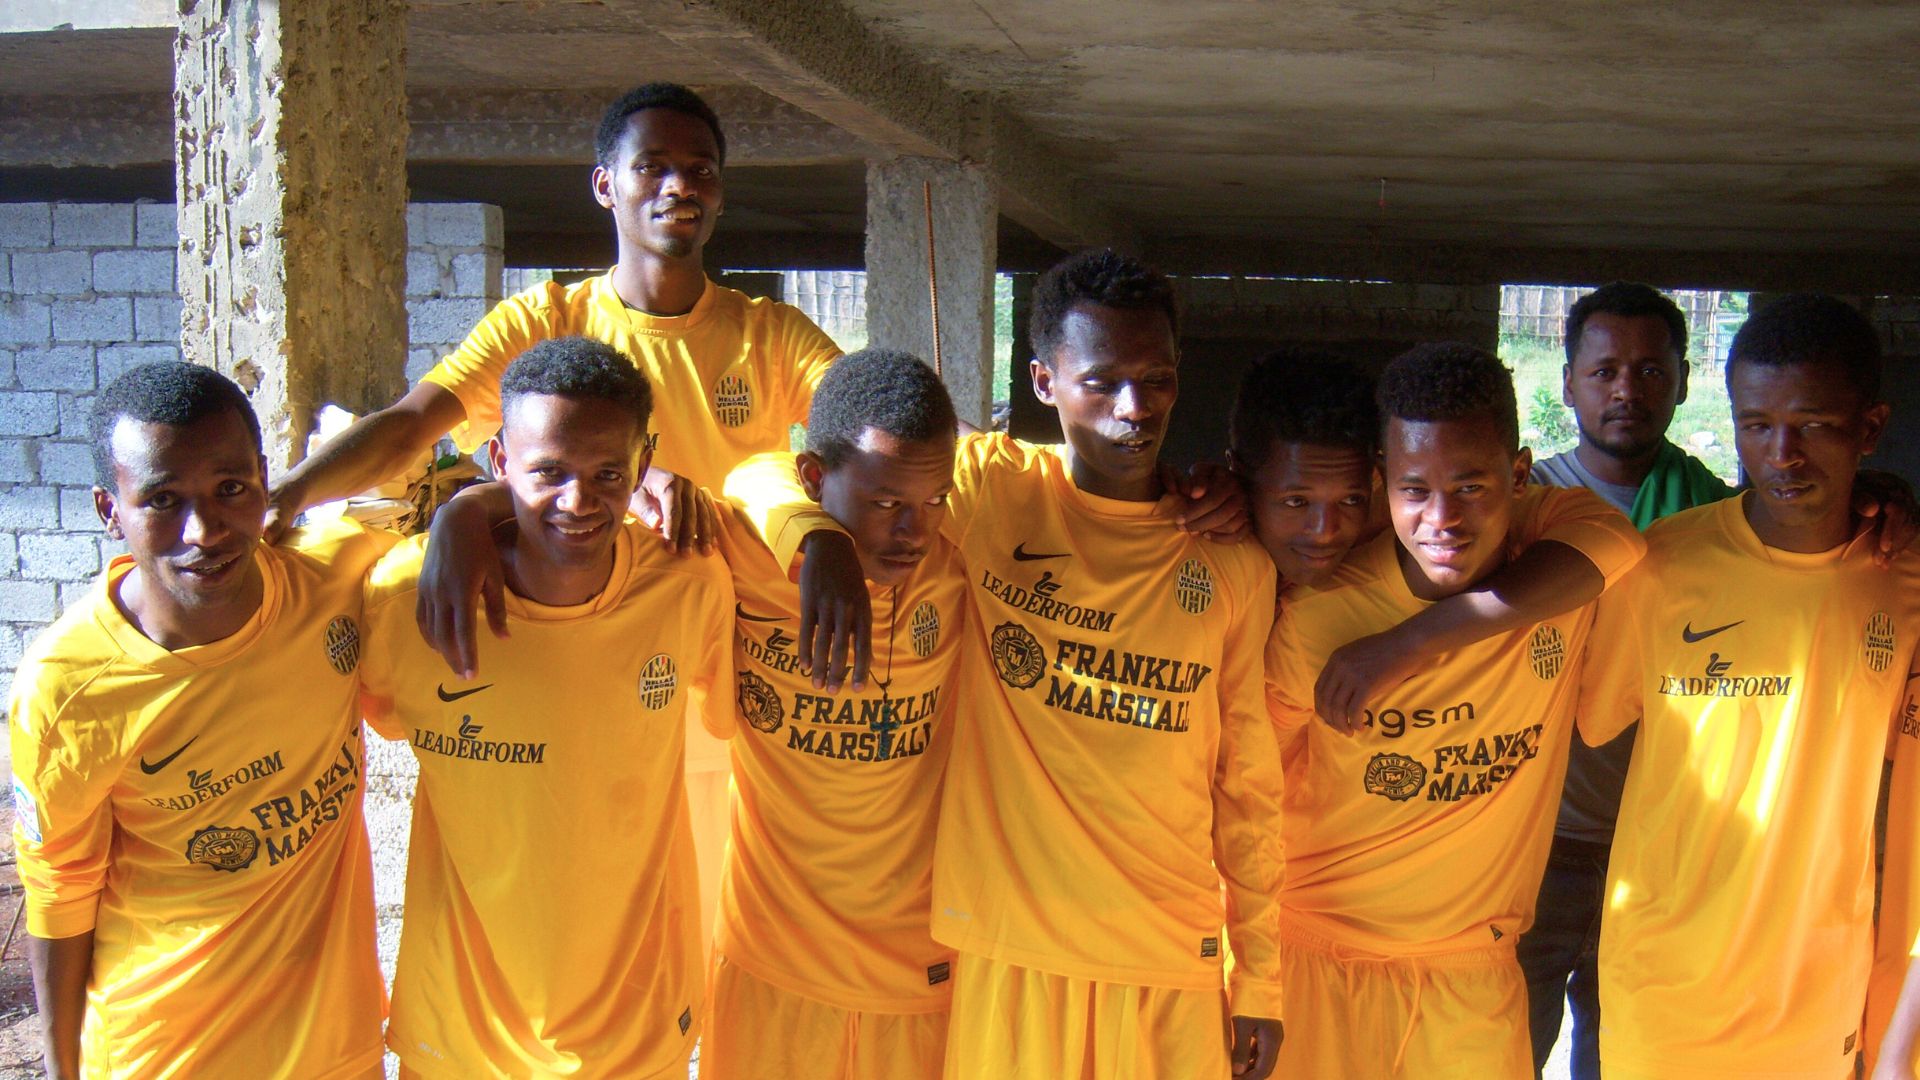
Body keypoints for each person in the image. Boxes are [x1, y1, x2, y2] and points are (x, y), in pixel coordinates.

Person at [275, 81, 838, 958]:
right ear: (606, 184)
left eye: (700, 170)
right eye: (652, 166)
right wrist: (285, 498)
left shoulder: (769, 335)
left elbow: (875, 431)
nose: (679, 187)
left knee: (712, 946)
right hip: (579, 684)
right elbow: (413, 428)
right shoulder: (544, 322)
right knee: (581, 927)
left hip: (719, 677)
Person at [735, 249, 1287, 1079]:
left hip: (1166, 950)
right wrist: (816, 538)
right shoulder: (991, 492)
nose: (1134, 407)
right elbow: (774, 468)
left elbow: (1248, 787)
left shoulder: (1232, 558)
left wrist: (1261, 980)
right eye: (1102, 382)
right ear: (1043, 381)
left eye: (1157, 379)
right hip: (1009, 951)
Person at [1264, 342, 1645, 1078]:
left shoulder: (1558, 575)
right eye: (1415, 490)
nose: (1443, 518)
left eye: (1471, 487)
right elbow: (1247, 794)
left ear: (1520, 476)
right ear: (1382, 482)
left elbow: (1618, 540)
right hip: (1314, 955)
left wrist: (1411, 642)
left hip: (1474, 974)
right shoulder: (1320, 617)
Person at [357, 338, 734, 1078]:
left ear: (644, 465)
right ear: (500, 460)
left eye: (607, 475)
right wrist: (461, 510)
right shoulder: (407, 600)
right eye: (548, 472)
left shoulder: (687, 585)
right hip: (463, 1029)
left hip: (637, 1020)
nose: (578, 501)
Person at [11, 362, 390, 1079]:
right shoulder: (68, 690)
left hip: (335, 1048)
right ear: (109, 510)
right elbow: (60, 888)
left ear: (264, 482)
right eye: (162, 499)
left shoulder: (329, 581)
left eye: (230, 489)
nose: (205, 531)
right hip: (165, 1053)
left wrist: (470, 516)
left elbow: (421, 448)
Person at [1579, 293, 1920, 1080]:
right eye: (1756, 425)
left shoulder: (1902, 574)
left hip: (1815, 990)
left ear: (1870, 427)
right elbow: (1591, 721)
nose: (1782, 454)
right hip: (1660, 984)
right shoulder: (1659, 565)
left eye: (1815, 426)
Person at [705, 349, 967, 1077]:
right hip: (770, 960)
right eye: (885, 504)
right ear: (815, 479)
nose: (914, 530)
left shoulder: (959, 562)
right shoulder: (746, 554)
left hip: (916, 976)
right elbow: (741, 475)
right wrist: (816, 538)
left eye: (934, 501)